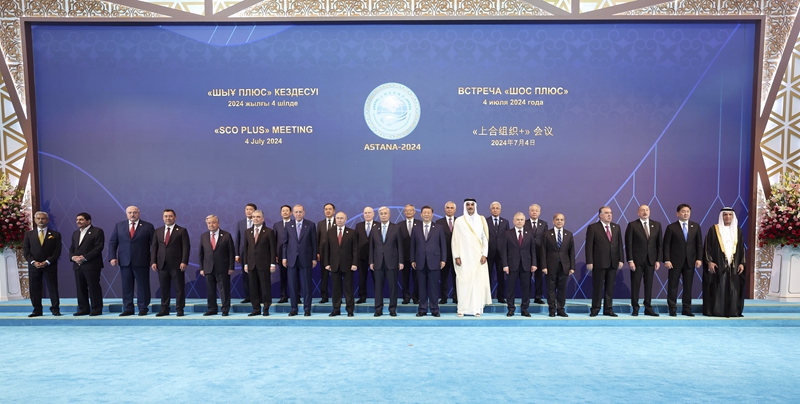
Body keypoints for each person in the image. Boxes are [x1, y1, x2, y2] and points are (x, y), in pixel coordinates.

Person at [109, 206, 155, 316]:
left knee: (143, 286)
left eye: (134, 212)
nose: (132, 214)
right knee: (126, 286)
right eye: (130, 212)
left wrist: (153, 260)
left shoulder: (148, 226)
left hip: (142, 261)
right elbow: (112, 242)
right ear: (126, 214)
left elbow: (154, 245)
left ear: (139, 213)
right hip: (124, 261)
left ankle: (143, 307)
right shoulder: (119, 226)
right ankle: (128, 308)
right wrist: (112, 257)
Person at [451, 199, 491, 317]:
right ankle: (462, 309)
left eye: (472, 204)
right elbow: (455, 240)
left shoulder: (481, 219)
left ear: (475, 206)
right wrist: (456, 256)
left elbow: (485, 238)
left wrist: (485, 254)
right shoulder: (459, 221)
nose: (470, 207)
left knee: (477, 283)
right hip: (463, 258)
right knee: (463, 282)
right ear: (465, 206)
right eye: (468, 205)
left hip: (478, 257)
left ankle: (477, 308)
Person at [703, 207, 746, 317]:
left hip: (734, 265)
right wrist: (710, 261)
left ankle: (732, 311)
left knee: (733, 288)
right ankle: (718, 311)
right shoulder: (714, 230)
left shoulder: (738, 231)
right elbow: (707, 247)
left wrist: (742, 262)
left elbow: (741, 248)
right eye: (725, 215)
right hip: (718, 264)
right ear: (722, 216)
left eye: (730, 215)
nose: (728, 217)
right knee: (719, 287)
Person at [663, 203, 703, 317]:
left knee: (688, 286)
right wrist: (667, 260)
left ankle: (686, 309)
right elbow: (666, 245)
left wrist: (699, 259)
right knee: (673, 286)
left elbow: (699, 244)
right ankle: (672, 309)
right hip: (674, 262)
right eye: (683, 211)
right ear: (677, 214)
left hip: (690, 261)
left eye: (688, 212)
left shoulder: (695, 226)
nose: (686, 213)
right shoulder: (671, 227)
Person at [150, 209, 190, 317]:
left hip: (177, 264)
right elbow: (154, 247)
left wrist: (184, 261)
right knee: (164, 288)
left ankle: (180, 309)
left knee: (179, 288)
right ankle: (164, 309)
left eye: (170, 216)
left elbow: (186, 248)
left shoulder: (181, 230)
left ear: (175, 217)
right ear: (163, 218)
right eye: (166, 216)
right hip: (162, 264)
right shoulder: (158, 231)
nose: (168, 218)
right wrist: (153, 261)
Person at [585, 206, 624, 317]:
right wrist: (589, 261)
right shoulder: (593, 227)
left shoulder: (616, 227)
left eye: (610, 213)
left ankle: (608, 309)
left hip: (613, 262)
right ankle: (595, 308)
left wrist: (621, 259)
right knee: (597, 287)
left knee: (610, 287)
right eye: (606, 213)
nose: (609, 215)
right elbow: (589, 246)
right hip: (599, 262)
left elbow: (619, 244)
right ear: (600, 215)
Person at [624, 204, 662, 317]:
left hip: (651, 260)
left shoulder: (657, 225)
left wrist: (658, 260)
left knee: (649, 285)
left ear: (649, 212)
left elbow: (659, 244)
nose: (645, 212)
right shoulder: (632, 225)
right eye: (642, 210)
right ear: (638, 213)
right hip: (636, 261)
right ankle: (635, 308)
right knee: (636, 285)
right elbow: (628, 244)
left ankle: (648, 308)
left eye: (647, 210)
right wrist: (630, 260)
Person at [410, 205, 447, 317]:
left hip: (435, 261)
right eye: (424, 213)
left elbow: (443, 245)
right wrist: (412, 259)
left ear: (432, 214)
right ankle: (422, 309)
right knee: (421, 287)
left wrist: (443, 259)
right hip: (420, 261)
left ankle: (435, 309)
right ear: (421, 215)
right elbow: (413, 245)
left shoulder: (439, 227)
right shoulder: (415, 228)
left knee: (434, 287)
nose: (426, 214)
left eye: (428, 213)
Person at [23, 211, 62, 317]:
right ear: (35, 220)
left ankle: (55, 309)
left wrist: (47, 262)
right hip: (34, 266)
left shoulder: (55, 235)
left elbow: (57, 251)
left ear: (47, 220)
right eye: (38, 218)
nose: (41, 220)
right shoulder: (28, 234)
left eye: (43, 218)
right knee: (34, 288)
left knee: (52, 287)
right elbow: (26, 251)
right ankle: (37, 310)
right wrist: (33, 262)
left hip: (50, 266)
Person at [500, 212, 537, 317]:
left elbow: (533, 250)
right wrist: (505, 265)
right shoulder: (507, 233)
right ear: (513, 221)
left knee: (526, 288)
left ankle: (524, 309)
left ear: (524, 221)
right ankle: (511, 309)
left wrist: (534, 263)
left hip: (526, 265)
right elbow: (504, 251)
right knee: (510, 288)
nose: (519, 221)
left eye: (521, 220)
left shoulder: (529, 233)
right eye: (517, 219)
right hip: (512, 265)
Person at [283, 204, 317, 316]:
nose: (298, 214)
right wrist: (284, 257)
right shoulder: (288, 225)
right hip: (292, 259)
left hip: (306, 258)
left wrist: (314, 258)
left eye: (300, 212)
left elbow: (314, 243)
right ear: (293, 213)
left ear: (304, 213)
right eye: (296, 212)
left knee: (306, 285)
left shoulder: (310, 225)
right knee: (292, 285)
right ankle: (294, 308)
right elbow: (285, 243)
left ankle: (307, 309)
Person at [322, 212, 358, 317]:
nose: (339, 220)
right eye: (337, 218)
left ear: (346, 219)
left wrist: (354, 263)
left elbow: (355, 249)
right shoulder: (330, 232)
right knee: (336, 289)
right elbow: (327, 249)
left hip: (348, 265)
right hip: (334, 265)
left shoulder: (351, 232)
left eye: (341, 218)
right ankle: (336, 309)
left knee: (348, 289)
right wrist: (327, 263)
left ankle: (350, 310)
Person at [369, 206, 404, 317]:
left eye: (385, 213)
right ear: (379, 215)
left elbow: (400, 246)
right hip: (378, 262)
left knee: (393, 287)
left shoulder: (396, 227)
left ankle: (392, 309)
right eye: (381, 213)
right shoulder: (374, 228)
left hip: (392, 262)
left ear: (389, 215)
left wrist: (401, 261)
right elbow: (371, 246)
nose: (383, 215)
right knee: (378, 287)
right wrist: (371, 261)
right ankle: (378, 309)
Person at [198, 215, 235, 316]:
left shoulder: (226, 235)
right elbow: (201, 253)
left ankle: (225, 309)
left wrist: (231, 267)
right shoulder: (204, 236)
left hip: (223, 267)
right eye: (209, 223)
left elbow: (231, 252)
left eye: (213, 222)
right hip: (208, 267)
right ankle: (212, 309)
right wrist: (202, 268)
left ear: (218, 223)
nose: (211, 225)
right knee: (210, 290)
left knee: (224, 289)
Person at [69, 212, 105, 316]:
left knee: (93, 288)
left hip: (92, 265)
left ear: (88, 221)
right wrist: (73, 257)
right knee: (80, 288)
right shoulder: (76, 233)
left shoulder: (97, 231)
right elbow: (72, 248)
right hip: (78, 266)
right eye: (77, 220)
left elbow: (98, 247)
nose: (78, 222)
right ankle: (83, 309)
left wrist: (84, 258)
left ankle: (96, 309)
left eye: (81, 220)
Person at [243, 210, 277, 316]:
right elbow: (245, 249)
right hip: (251, 264)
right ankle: (256, 308)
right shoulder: (247, 232)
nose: (255, 219)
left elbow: (272, 249)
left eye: (258, 217)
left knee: (265, 287)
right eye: (254, 217)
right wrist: (246, 264)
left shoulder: (269, 232)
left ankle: (266, 308)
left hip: (264, 264)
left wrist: (272, 263)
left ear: (262, 219)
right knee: (253, 288)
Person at [541, 213, 575, 317]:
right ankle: (552, 309)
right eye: (557, 219)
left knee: (562, 289)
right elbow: (543, 251)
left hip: (564, 266)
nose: (559, 221)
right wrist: (544, 266)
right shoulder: (547, 234)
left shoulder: (568, 234)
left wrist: (572, 267)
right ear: (553, 221)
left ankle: (561, 309)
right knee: (550, 289)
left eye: (561, 219)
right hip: (550, 266)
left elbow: (571, 252)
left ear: (564, 221)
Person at [524, 204, 549, 304]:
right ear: (529, 212)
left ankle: (538, 297)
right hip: (527, 254)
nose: (534, 212)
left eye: (536, 211)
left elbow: (547, 239)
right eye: (532, 210)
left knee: (539, 277)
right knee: (526, 277)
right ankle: (527, 297)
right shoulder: (524, 223)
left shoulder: (544, 224)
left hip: (539, 254)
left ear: (539, 212)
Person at [486, 201, 509, 303]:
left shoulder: (505, 222)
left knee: (501, 276)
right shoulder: (485, 221)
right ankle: (487, 297)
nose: (495, 210)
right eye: (493, 208)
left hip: (501, 254)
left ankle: (500, 296)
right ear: (490, 210)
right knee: (487, 276)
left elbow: (508, 238)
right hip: (488, 253)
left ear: (500, 210)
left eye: (497, 208)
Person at [355, 206, 379, 304]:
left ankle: (378, 297)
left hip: (376, 256)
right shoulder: (358, 225)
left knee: (377, 278)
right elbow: (356, 242)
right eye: (365, 213)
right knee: (362, 277)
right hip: (362, 256)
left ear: (373, 214)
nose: (367, 214)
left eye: (369, 213)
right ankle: (362, 296)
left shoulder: (379, 225)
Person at [435, 201, 458, 304]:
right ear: (445, 209)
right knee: (443, 278)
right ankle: (444, 297)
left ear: (455, 210)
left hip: (457, 255)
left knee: (457, 277)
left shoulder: (460, 221)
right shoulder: (439, 222)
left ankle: (456, 297)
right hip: (444, 255)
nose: (449, 209)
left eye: (451, 208)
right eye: (447, 207)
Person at [235, 203, 257, 304]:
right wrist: (237, 254)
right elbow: (237, 238)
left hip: (256, 253)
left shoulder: (258, 222)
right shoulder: (241, 223)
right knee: (246, 276)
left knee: (256, 275)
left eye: (250, 209)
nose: (248, 211)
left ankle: (257, 296)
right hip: (244, 253)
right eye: (247, 209)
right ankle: (248, 296)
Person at [399, 204, 421, 304]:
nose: (408, 212)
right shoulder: (399, 225)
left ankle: (416, 296)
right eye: (406, 211)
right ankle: (406, 297)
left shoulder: (420, 224)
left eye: (410, 210)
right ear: (404, 212)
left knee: (417, 278)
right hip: (404, 257)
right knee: (405, 278)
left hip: (418, 256)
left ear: (414, 211)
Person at [316, 203, 336, 304]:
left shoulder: (339, 222)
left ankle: (336, 296)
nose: (328, 211)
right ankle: (324, 296)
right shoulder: (320, 224)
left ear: (334, 211)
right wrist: (317, 252)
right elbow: (317, 239)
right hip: (323, 254)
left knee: (336, 276)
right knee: (324, 276)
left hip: (336, 254)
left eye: (330, 209)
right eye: (326, 209)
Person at [273, 205, 293, 303]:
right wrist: (275, 255)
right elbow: (274, 241)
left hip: (294, 254)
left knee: (294, 277)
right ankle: (284, 296)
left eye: (287, 211)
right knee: (283, 276)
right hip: (281, 255)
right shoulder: (277, 225)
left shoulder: (295, 223)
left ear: (291, 213)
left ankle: (296, 296)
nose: (285, 212)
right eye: (283, 211)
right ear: (281, 213)